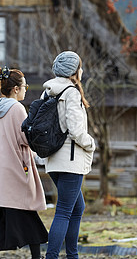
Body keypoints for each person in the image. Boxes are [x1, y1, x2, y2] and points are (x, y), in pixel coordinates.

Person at [0, 66, 48, 259]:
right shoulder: (17, 108)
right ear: (16, 89)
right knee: (26, 211)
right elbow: (24, 138)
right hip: (14, 167)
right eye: (25, 86)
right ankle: (36, 257)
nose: (26, 89)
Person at [42, 51, 96, 259]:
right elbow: (75, 130)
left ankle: (72, 255)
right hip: (70, 160)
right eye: (80, 67)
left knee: (77, 207)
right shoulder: (71, 92)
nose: (81, 71)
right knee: (64, 211)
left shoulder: (47, 92)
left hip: (54, 160)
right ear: (74, 71)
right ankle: (53, 256)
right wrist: (90, 143)